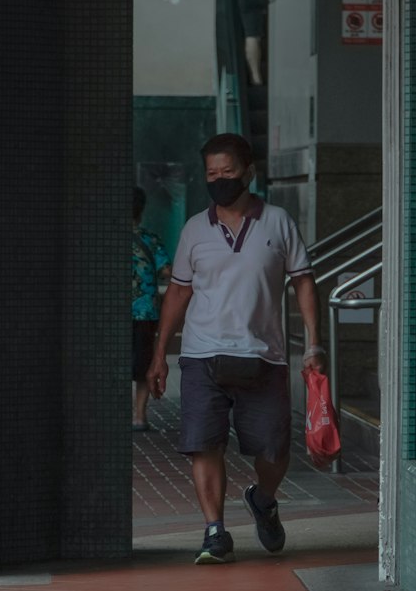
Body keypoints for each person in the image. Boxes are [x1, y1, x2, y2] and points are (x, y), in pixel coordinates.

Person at [146, 134, 326, 564]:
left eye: (228, 172)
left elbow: (302, 280)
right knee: (202, 444)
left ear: (248, 172)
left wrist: (314, 343)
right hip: (202, 354)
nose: (220, 180)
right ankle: (215, 531)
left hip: (263, 356)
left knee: (273, 452)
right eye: (212, 174)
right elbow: (177, 293)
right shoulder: (194, 229)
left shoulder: (279, 222)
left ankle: (262, 499)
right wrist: (158, 355)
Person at [131, 187, 171, 431]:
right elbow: (167, 271)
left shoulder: (104, 240)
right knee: (144, 363)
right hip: (145, 313)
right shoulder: (150, 239)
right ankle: (139, 416)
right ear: (141, 210)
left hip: (110, 314)